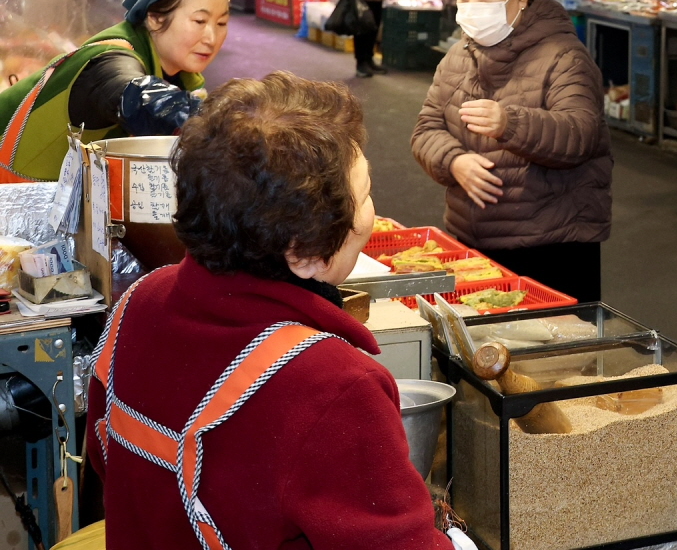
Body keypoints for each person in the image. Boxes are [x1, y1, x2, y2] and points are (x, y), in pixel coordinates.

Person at [85, 71, 452, 550]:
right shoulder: (333, 385)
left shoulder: (138, 302)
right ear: (301, 252)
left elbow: (103, 457)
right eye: (363, 197)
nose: (371, 214)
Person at [411, 0, 612, 302]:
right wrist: (453, 161)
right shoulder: (458, 56)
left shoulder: (564, 57)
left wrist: (510, 123)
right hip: (474, 241)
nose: (471, 7)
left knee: (554, 354)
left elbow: (581, 134)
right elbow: (426, 128)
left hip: (552, 245)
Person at [0, 0, 229, 184]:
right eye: (200, 21)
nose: (211, 38)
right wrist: (231, 127)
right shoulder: (109, 60)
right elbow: (137, 95)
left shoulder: (184, 78)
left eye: (221, 24)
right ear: (155, 18)